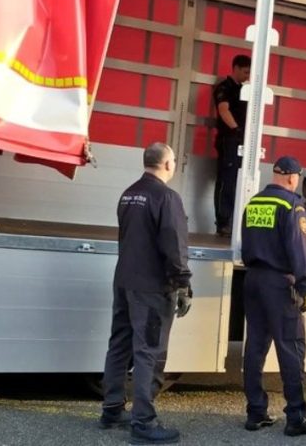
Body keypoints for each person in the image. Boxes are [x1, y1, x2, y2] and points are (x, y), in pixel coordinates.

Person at [99, 142, 193, 445]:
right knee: (148, 353)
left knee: (119, 345)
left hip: (124, 281)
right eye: (174, 160)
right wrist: (182, 282)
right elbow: (174, 243)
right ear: (167, 164)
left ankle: (112, 409)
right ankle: (143, 422)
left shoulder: (128, 194)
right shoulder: (166, 197)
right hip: (152, 287)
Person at [240, 155, 306, 437]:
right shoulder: (292, 205)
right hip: (279, 284)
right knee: (291, 347)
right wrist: (305, 286)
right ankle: (296, 417)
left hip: (253, 280)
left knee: (255, 347)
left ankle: (256, 412)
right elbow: (299, 249)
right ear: (291, 177)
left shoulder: (254, 203)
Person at [213, 54, 252, 237]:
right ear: (235, 68)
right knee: (226, 181)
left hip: (242, 141)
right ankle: (223, 223)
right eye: (245, 72)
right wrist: (236, 129)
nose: (247, 76)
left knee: (238, 182)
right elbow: (223, 110)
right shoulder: (225, 87)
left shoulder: (245, 90)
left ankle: (235, 222)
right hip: (229, 139)